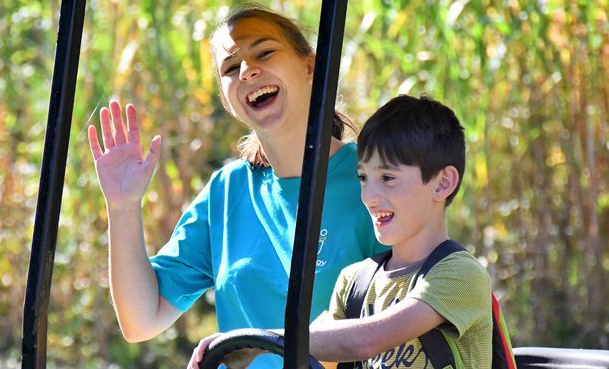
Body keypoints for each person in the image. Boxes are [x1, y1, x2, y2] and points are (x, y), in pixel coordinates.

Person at [88, 5, 385, 367]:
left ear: (310, 67)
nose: (247, 70)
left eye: (264, 52)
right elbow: (141, 319)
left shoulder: (375, 180)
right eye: (231, 67)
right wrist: (122, 206)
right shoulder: (226, 193)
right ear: (228, 101)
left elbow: (405, 320)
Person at [188, 94, 493, 369]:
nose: (369, 196)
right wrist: (245, 346)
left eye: (387, 178)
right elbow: (316, 345)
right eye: (363, 178)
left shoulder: (459, 275)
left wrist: (257, 341)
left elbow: (365, 341)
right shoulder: (354, 282)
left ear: (443, 183)